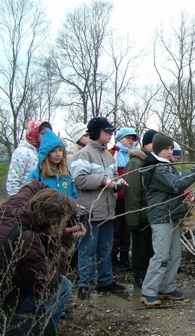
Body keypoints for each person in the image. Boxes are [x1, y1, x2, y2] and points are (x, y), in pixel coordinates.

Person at [0, 181, 86, 334]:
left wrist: (68, 204)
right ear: (52, 223)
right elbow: (50, 282)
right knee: (63, 287)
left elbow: (35, 185)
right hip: (5, 298)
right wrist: (66, 239)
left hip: (6, 277)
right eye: (63, 222)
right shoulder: (27, 240)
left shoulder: (14, 207)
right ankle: (40, 328)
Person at [139, 133, 195, 306]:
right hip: (161, 217)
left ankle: (166, 287)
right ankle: (149, 291)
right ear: (157, 149)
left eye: (171, 148)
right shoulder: (156, 168)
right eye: (166, 149)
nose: (170, 152)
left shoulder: (166, 165)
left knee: (175, 253)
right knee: (161, 255)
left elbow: (177, 181)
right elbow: (176, 184)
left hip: (172, 216)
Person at [71, 117, 127, 300]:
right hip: (91, 212)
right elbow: (78, 180)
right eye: (107, 131)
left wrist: (118, 184)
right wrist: (103, 180)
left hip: (108, 212)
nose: (110, 134)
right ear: (97, 132)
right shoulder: (83, 155)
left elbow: (110, 180)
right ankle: (84, 285)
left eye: (111, 132)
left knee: (106, 248)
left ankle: (105, 281)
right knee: (87, 249)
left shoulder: (108, 156)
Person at [124, 129, 157, 287]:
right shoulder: (136, 162)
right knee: (139, 249)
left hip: (152, 214)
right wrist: (133, 219)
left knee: (150, 248)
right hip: (140, 214)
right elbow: (133, 192)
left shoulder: (153, 160)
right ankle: (139, 275)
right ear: (146, 144)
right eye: (154, 142)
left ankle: (149, 276)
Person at [112, 127, 139, 272]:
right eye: (128, 137)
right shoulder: (114, 153)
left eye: (133, 138)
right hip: (117, 197)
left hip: (129, 197)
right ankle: (113, 258)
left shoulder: (134, 156)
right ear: (120, 138)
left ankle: (124, 256)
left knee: (127, 229)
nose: (131, 140)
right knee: (116, 229)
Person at [26, 129, 77, 200]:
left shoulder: (66, 174)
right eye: (53, 151)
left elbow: (74, 196)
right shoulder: (36, 175)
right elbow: (28, 197)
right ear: (46, 154)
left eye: (60, 150)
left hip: (67, 210)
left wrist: (73, 206)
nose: (58, 154)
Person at [6, 120, 52, 196]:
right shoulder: (22, 152)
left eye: (48, 134)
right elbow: (12, 182)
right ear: (34, 133)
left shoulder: (45, 153)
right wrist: (17, 202)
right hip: (24, 201)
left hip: (40, 202)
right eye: (42, 133)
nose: (46, 137)